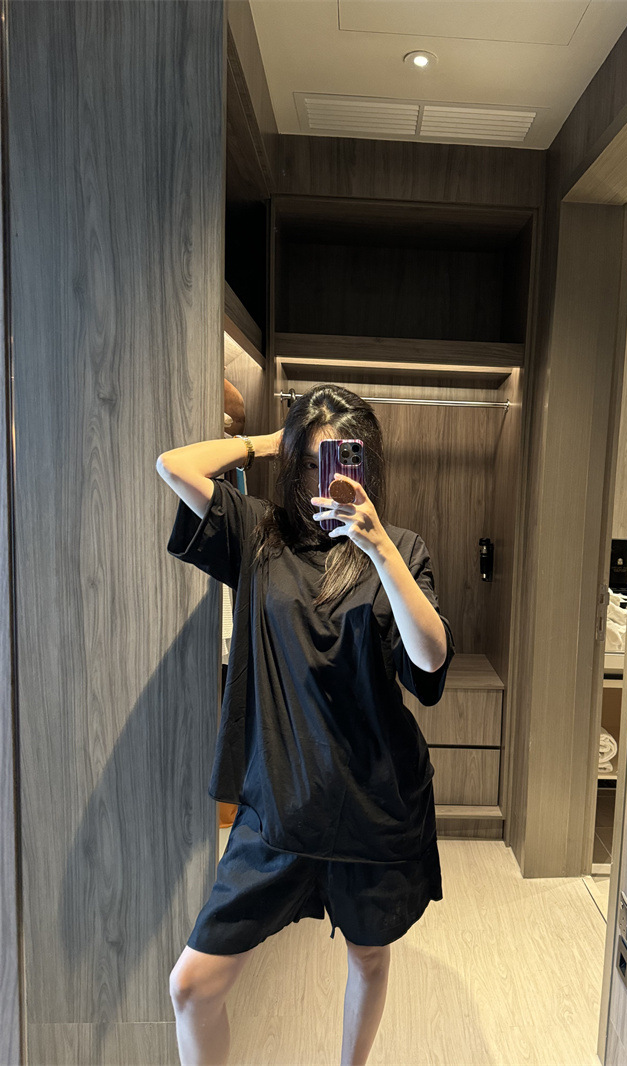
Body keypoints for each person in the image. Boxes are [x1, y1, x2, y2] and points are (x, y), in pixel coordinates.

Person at [157, 383, 456, 1066]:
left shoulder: (401, 548)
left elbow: (431, 659)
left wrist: (380, 550)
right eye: (315, 462)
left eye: (344, 460)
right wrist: (270, 441)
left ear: (368, 464)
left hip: (373, 807)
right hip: (278, 807)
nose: (329, 480)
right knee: (191, 987)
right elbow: (174, 466)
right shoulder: (259, 535)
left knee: (368, 958)